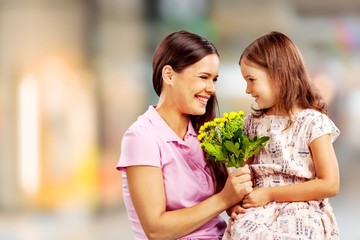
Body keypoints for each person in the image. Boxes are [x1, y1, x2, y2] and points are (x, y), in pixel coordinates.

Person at [117, 30, 253, 240]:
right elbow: (156, 230)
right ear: (169, 75)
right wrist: (224, 199)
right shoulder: (142, 137)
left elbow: (232, 200)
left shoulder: (206, 134)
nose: (211, 89)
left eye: (214, 79)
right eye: (203, 77)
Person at [224, 31, 340, 239]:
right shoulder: (252, 123)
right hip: (258, 210)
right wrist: (234, 203)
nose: (247, 89)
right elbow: (244, 174)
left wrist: (270, 194)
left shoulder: (313, 122)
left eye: (251, 80)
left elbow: (330, 183)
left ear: (279, 75)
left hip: (302, 208)